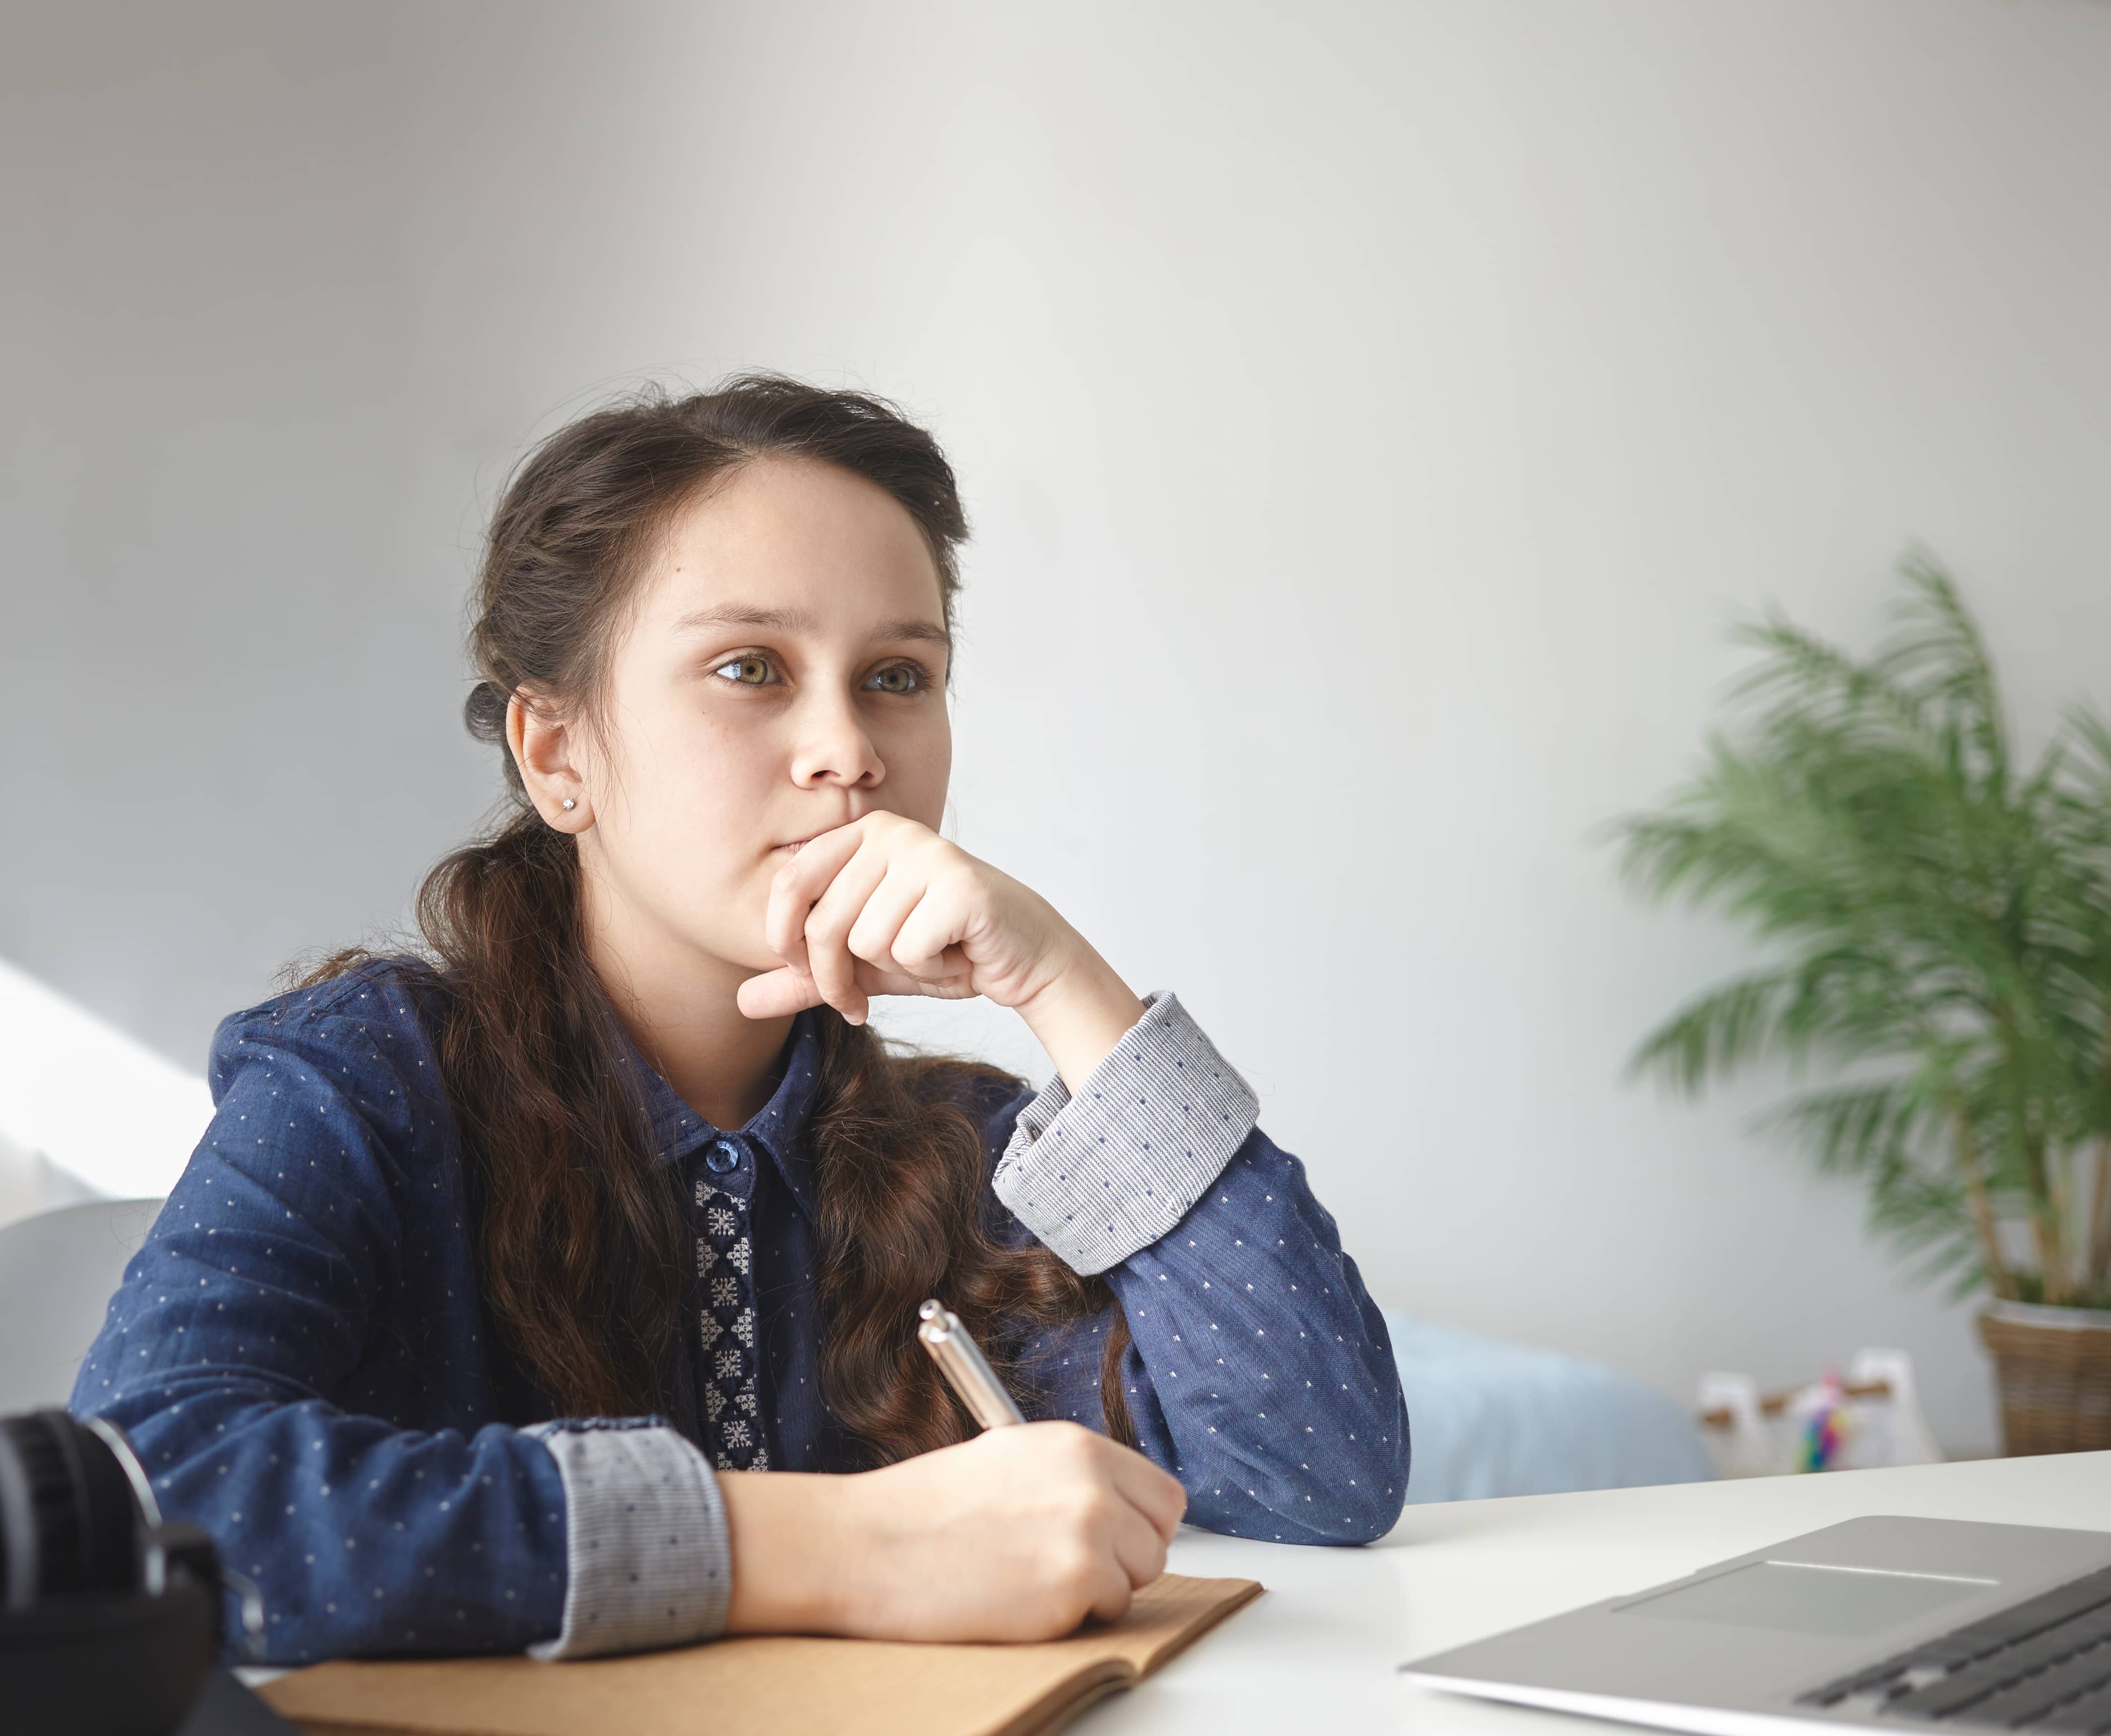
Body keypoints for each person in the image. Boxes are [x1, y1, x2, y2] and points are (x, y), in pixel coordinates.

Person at [72, 375, 1408, 1663]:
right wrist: (845, 1547)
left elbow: (1318, 1478)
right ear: (559, 755)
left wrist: (1067, 986)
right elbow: (142, 1494)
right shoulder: (367, 1082)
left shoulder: (967, 1147)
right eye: (750, 667)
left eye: (897, 674)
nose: (848, 749)